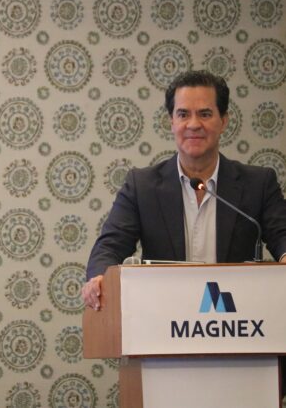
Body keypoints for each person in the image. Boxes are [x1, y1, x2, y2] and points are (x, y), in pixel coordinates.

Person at [81, 70, 286, 395]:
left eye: (205, 113)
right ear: (171, 122)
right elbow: (110, 245)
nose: (193, 124)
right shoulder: (142, 185)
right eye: (183, 114)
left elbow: (281, 234)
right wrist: (98, 277)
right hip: (164, 343)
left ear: (224, 120)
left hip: (242, 342)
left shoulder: (258, 183)